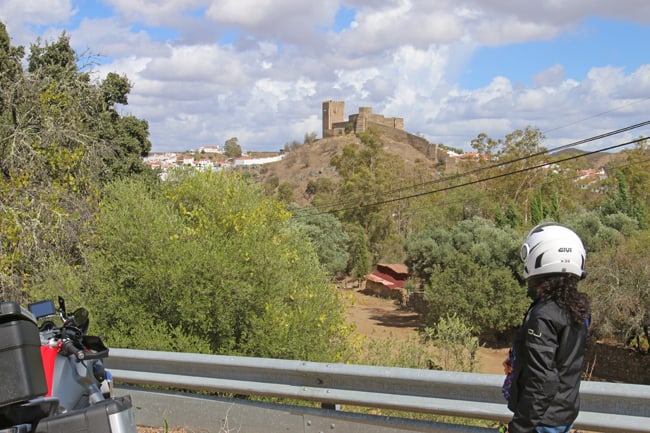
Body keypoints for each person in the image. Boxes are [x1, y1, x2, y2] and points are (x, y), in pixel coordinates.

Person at [501, 223, 591, 433]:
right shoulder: (578, 308)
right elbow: (564, 358)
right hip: (564, 412)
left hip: (541, 421)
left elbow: (541, 379)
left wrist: (520, 427)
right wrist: (519, 357)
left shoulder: (544, 314)